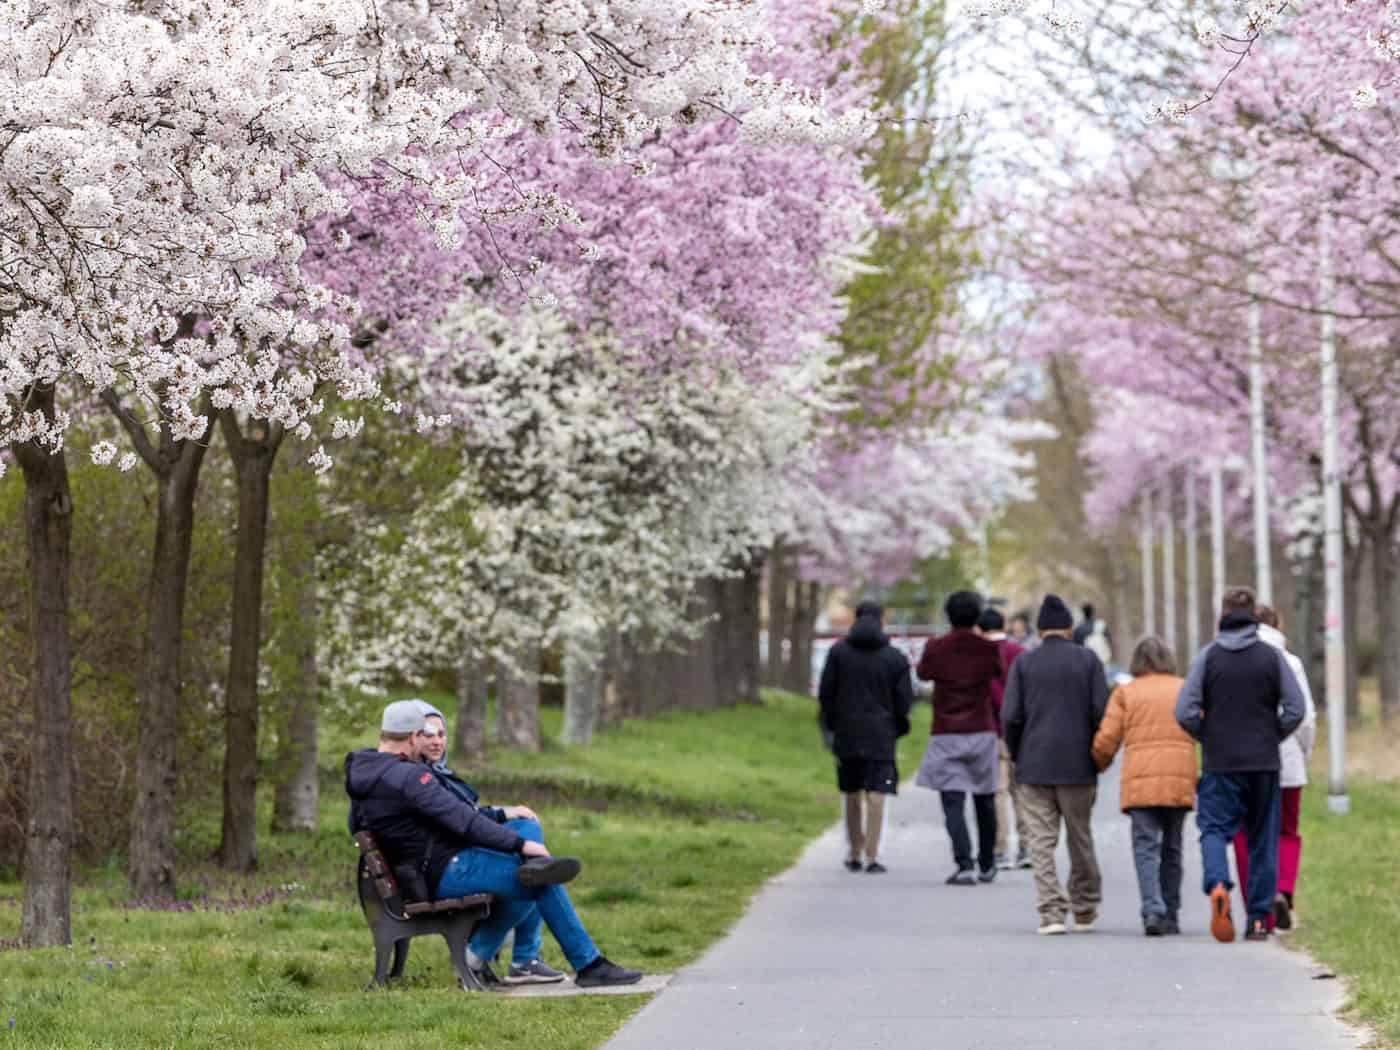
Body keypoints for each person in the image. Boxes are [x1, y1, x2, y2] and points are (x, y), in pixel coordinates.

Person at [345, 699, 642, 987]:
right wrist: (522, 845)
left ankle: (501, 954)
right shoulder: (409, 777)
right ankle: (588, 965)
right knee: (541, 878)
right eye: (423, 736)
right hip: (442, 869)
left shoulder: (365, 770)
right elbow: (466, 821)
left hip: (419, 870)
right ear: (412, 737)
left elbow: (355, 824)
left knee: (534, 869)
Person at [1175, 587, 1306, 943]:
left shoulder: (1209, 657)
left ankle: (1218, 884)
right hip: (1264, 762)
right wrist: (1272, 735)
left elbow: (1184, 710)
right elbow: (1296, 709)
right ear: (1252, 616)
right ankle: (1259, 919)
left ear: (1223, 614)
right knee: (1264, 837)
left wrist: (1207, 736)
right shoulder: (1271, 657)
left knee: (1214, 830)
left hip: (1220, 762)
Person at [417, 705, 564, 984]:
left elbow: (469, 815)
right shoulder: (423, 781)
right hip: (451, 863)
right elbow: (464, 823)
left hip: (463, 851)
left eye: (442, 734)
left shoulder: (440, 774)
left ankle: (523, 959)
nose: (437, 741)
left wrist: (507, 812)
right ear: (414, 738)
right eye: (429, 734)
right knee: (534, 875)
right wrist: (513, 833)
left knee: (530, 829)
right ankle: (514, 957)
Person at [1001, 594, 1109, 935]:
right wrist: (1095, 754)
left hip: (1034, 764)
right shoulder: (1088, 661)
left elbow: (1011, 716)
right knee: (1080, 837)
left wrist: (1018, 753)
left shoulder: (1024, 664)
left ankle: (1051, 912)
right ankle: (1084, 907)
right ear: (1069, 627)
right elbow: (1100, 712)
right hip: (1078, 765)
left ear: (1039, 629)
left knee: (1041, 842)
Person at [1091, 636, 1196, 936]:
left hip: (1141, 782)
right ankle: (1172, 914)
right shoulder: (1185, 688)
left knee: (1145, 848)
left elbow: (1107, 738)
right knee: (1173, 847)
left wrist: (1098, 762)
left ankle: (1153, 909)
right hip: (1178, 777)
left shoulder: (1127, 692)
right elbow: (1203, 725)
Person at [1229, 605, 1317, 933]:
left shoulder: (1236, 659)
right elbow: (1305, 718)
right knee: (1286, 832)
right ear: (1278, 626)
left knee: (1245, 832)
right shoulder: (1290, 662)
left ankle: (1257, 908)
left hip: (1244, 759)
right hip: (1289, 761)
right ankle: (1282, 889)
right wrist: (1302, 753)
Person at [818, 599, 914, 874]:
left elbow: (827, 694)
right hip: (881, 734)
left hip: (847, 732)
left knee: (851, 791)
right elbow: (904, 700)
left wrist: (830, 725)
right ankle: (873, 854)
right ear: (882, 620)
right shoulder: (894, 657)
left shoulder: (838, 653)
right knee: (877, 793)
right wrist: (898, 724)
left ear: (855, 619)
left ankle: (854, 850)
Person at [915, 590, 1003, 885]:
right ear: (977, 615)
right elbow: (997, 672)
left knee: (952, 800)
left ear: (948, 615)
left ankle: (964, 863)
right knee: (985, 798)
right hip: (981, 727)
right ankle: (987, 862)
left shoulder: (936, 647)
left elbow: (924, 674)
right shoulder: (987, 649)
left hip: (947, 730)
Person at [976, 607, 1030, 870]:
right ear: (1003, 626)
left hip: (991, 730)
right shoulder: (1021, 654)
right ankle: (1027, 846)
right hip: (1020, 731)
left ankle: (1000, 849)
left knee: (998, 792)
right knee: (1021, 790)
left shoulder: (979, 656)